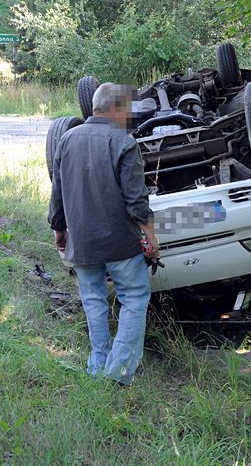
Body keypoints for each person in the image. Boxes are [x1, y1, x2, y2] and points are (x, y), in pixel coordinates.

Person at [48, 82, 159, 386]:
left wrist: (58, 228)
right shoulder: (123, 142)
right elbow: (136, 200)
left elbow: (58, 191)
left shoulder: (67, 139)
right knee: (134, 297)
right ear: (115, 109)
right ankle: (119, 372)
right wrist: (151, 236)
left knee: (93, 301)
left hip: (81, 242)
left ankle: (98, 365)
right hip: (120, 242)